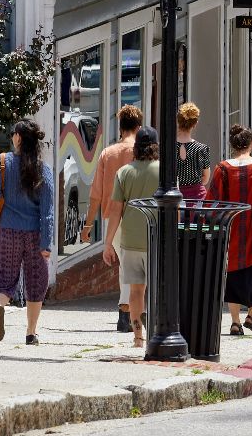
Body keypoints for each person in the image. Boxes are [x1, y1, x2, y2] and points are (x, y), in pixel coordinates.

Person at [206, 124, 252, 335]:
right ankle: (251, 316)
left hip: (230, 231)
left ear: (232, 145)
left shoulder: (222, 169)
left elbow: (212, 200)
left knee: (232, 275)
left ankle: (235, 322)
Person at [0, 119, 54, 346]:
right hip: (34, 234)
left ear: (18, 138)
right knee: (36, 283)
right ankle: (31, 333)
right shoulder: (44, 170)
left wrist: (6, 205)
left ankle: (0, 307)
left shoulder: (1, 162)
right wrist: (46, 244)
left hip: (8, 231)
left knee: (3, 276)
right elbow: (47, 211)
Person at [83, 103, 143, 332]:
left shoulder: (108, 153)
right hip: (139, 214)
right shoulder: (143, 152)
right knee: (134, 264)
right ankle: (128, 311)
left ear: (121, 127)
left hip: (112, 217)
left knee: (125, 264)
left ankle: (125, 311)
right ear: (138, 127)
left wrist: (88, 225)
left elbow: (96, 194)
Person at [102, 126, 160, 349]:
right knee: (157, 291)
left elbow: (116, 210)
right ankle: (156, 333)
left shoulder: (124, 172)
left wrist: (108, 243)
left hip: (130, 241)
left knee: (136, 291)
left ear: (136, 148)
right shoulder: (164, 171)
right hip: (156, 240)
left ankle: (138, 337)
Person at [174, 102, 212, 201]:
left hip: (174, 198)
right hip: (198, 199)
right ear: (195, 124)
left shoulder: (168, 148)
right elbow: (205, 179)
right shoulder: (202, 149)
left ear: (178, 122)